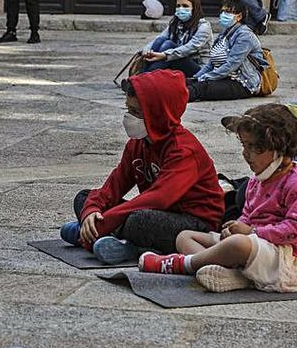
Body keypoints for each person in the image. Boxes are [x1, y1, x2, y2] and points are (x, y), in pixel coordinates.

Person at [139, 104, 297, 294]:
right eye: (244, 146)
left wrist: (251, 232)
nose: (245, 154)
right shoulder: (256, 181)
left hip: (283, 259)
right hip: (250, 244)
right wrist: (235, 227)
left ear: (278, 148)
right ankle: (231, 273)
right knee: (185, 236)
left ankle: (182, 264)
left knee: (237, 245)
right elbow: (248, 214)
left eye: (252, 147)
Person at [58, 70, 225, 264]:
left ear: (158, 114)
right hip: (155, 210)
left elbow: (159, 199)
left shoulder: (183, 150)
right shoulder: (137, 143)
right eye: (128, 109)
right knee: (84, 198)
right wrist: (92, 209)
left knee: (139, 220)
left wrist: (107, 220)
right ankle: (105, 236)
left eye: (136, 112)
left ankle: (104, 237)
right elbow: (114, 184)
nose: (129, 117)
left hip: (194, 224)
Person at [189, 0, 266, 101]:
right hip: (222, 77)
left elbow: (232, 64)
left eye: (228, 12)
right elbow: (211, 63)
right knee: (188, 82)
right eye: (223, 11)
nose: (223, 14)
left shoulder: (245, 35)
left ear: (239, 16)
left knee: (201, 88)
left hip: (241, 83)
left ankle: (174, 99)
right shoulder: (225, 33)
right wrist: (196, 77)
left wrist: (206, 77)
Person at [141, 0, 214, 76]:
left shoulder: (203, 27)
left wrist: (164, 55)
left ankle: (144, 76)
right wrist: (146, 50)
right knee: (161, 40)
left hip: (199, 68)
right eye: (178, 6)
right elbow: (160, 37)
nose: (181, 9)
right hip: (176, 59)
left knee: (169, 45)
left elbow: (189, 48)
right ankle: (144, 77)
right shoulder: (176, 23)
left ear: (195, 7)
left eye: (185, 6)